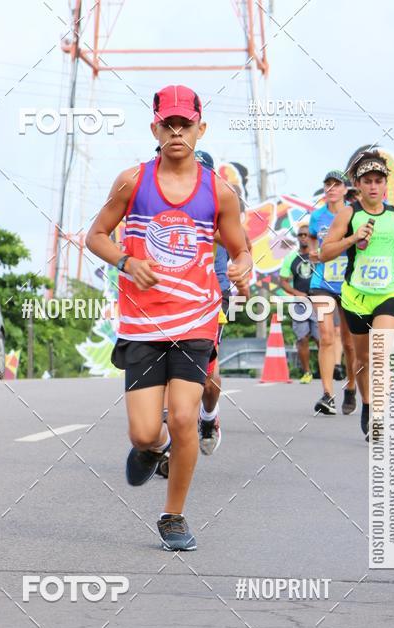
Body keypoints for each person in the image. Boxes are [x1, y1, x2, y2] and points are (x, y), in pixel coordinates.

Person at [86, 84, 251, 550]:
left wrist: (242, 267)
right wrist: (125, 261)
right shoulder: (132, 181)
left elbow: (240, 248)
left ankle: (173, 515)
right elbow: (96, 235)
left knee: (182, 419)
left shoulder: (219, 192)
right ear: (154, 127)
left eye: (186, 123)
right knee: (144, 432)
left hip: (196, 320)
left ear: (201, 128)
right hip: (142, 324)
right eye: (169, 123)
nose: (177, 131)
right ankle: (149, 450)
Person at [321, 150, 394, 442]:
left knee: (381, 354)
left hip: (390, 293)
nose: (373, 186)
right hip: (356, 295)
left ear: (386, 185)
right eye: (367, 181)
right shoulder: (350, 213)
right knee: (361, 359)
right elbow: (324, 253)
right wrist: (352, 238)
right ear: (358, 185)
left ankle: (380, 413)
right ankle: (368, 403)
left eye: (378, 181)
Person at [194, 151, 252, 455]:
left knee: (206, 374)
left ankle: (207, 417)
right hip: (171, 297)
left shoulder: (223, 208)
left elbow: (244, 250)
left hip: (214, 295)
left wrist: (243, 281)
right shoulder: (166, 199)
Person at [308, 170, 357, 415]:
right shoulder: (317, 217)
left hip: (349, 283)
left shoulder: (354, 214)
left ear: (345, 190)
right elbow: (311, 245)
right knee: (326, 335)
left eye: (336, 185)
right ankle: (327, 394)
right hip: (323, 282)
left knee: (349, 342)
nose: (332, 188)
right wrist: (313, 253)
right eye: (328, 184)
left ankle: (350, 386)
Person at [279, 223, 319, 383]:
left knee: (321, 339)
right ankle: (307, 372)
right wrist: (297, 293)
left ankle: (327, 371)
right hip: (300, 304)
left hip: (319, 302)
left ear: (312, 237)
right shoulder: (291, 258)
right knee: (302, 338)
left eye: (307, 234)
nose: (304, 237)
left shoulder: (319, 255)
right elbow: (283, 281)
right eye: (301, 235)